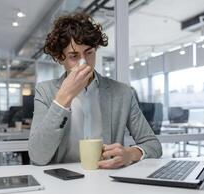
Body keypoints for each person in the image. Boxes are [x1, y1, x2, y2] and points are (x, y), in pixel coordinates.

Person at [28, 12, 162, 169]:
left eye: (89, 52)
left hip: (107, 180)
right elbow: (37, 156)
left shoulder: (122, 93)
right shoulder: (45, 91)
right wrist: (63, 98)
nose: (84, 62)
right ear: (60, 58)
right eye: (74, 56)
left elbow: (153, 145)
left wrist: (130, 154)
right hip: (62, 183)